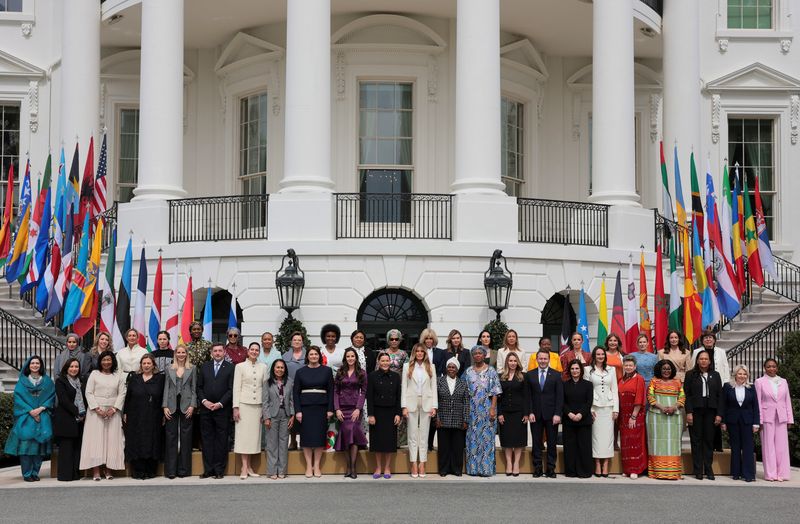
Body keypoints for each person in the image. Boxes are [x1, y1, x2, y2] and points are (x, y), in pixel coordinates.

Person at [4, 356, 55, 482]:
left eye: (37, 363)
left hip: (42, 415)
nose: (35, 365)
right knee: (26, 447)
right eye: (32, 363)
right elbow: (18, 398)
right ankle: (27, 474)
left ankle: (35, 472)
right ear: (28, 365)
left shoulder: (47, 381)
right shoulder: (22, 381)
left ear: (41, 365)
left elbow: (51, 397)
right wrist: (30, 411)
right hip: (26, 417)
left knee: (39, 447)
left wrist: (41, 408)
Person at [80, 350, 127, 480]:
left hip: (113, 412)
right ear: (100, 361)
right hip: (96, 412)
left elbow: (122, 393)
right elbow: (88, 392)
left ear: (113, 361)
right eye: (104, 360)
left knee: (112, 440)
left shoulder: (118, 375)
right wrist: (97, 409)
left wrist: (114, 408)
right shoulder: (94, 374)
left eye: (109, 360)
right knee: (96, 440)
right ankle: (96, 471)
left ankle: (109, 470)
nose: (106, 362)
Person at [293, 346, 334, 478]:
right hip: (305, 409)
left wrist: (330, 409)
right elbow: (295, 393)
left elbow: (331, 391)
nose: (313, 356)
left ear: (319, 356)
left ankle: (316, 466)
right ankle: (308, 466)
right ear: (307, 356)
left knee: (319, 437)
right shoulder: (300, 372)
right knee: (306, 438)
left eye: (316, 354)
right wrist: (298, 411)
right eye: (311, 354)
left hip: (321, 408)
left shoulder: (327, 371)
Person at [124, 353, 166, 480]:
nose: (146, 365)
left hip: (154, 415)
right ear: (141, 365)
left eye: (149, 363)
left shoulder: (160, 379)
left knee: (152, 441)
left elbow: (164, 397)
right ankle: (138, 470)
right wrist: (125, 412)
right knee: (136, 441)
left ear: (153, 365)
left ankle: (150, 470)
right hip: (135, 415)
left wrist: (164, 413)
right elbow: (128, 397)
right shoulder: (134, 378)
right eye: (144, 363)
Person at [684, 350, 723, 480]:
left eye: (706, 359)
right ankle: (698, 470)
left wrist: (719, 414)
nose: (703, 361)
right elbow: (687, 395)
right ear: (697, 360)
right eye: (701, 359)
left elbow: (720, 396)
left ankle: (708, 468)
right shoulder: (690, 375)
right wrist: (689, 412)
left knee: (708, 441)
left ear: (709, 361)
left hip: (711, 411)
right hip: (696, 411)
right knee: (696, 441)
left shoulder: (715, 375)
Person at [197, 343, 235, 479]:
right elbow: (199, 387)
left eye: (220, 351)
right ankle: (208, 470)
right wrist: (204, 401)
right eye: (215, 351)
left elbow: (231, 389)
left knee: (221, 441)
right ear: (211, 353)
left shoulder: (231, 368)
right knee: (207, 440)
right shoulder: (204, 367)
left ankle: (219, 470)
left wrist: (220, 403)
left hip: (222, 410)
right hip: (206, 409)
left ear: (224, 352)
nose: (217, 353)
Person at [464, 345, 502, 477]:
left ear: (484, 355)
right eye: (475, 353)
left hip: (487, 410)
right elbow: (464, 392)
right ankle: (473, 469)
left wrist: (492, 409)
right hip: (472, 411)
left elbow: (495, 392)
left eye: (480, 353)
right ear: (473, 356)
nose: (477, 355)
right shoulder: (468, 372)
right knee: (473, 440)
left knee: (486, 440)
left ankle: (486, 469)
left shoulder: (491, 371)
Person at [755, 358, 795, 482]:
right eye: (768, 366)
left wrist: (790, 419)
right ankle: (771, 474)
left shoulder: (783, 381)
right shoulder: (759, 382)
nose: (771, 368)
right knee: (768, 446)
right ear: (764, 368)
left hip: (781, 416)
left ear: (777, 368)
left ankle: (782, 473)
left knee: (782, 446)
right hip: (767, 417)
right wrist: (759, 420)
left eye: (773, 366)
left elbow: (787, 400)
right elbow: (758, 402)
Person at [233, 342, 268, 480]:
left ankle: (250, 467)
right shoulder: (240, 367)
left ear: (259, 352)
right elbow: (236, 387)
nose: (254, 352)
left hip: (258, 405)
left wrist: (264, 409)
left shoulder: (263, 367)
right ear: (248, 352)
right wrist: (236, 407)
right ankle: (244, 467)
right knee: (243, 437)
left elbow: (265, 389)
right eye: (252, 349)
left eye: (256, 350)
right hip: (244, 404)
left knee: (254, 438)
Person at [401, 343, 437, 478]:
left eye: (422, 351)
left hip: (427, 403)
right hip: (411, 403)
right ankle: (413, 463)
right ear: (414, 353)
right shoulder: (407, 367)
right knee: (412, 435)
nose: (420, 353)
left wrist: (435, 406)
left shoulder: (431, 367)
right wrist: (403, 406)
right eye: (417, 351)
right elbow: (404, 387)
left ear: (425, 353)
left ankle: (422, 463)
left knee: (424, 435)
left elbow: (433, 388)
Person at [527, 348, 563, 478]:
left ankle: (551, 468)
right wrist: (529, 411)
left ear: (549, 360)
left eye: (545, 359)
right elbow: (528, 396)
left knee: (552, 443)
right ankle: (537, 468)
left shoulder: (556, 375)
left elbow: (560, 396)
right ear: (537, 360)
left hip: (552, 415)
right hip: (535, 415)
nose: (543, 361)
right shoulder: (529, 375)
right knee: (536, 442)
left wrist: (558, 413)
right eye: (540, 358)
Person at [647, 359, 685, 480]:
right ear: (659, 369)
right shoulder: (654, 382)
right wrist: (662, 407)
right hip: (656, 416)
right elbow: (650, 397)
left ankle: (673, 472)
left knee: (673, 443)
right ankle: (656, 472)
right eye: (664, 369)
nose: (666, 371)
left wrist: (674, 407)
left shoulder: (677, 382)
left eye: (668, 369)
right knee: (657, 444)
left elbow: (682, 397)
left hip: (674, 417)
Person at [163, 344, 197, 479]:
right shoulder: (169, 368)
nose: (181, 355)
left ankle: (184, 470)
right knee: (171, 437)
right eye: (179, 352)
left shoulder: (192, 368)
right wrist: (164, 406)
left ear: (186, 354)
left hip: (186, 405)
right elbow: (166, 387)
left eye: (183, 352)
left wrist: (193, 405)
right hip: (171, 404)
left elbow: (194, 388)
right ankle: (171, 470)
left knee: (186, 437)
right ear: (175, 354)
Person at [721, 364, 759, 482]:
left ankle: (748, 474)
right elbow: (723, 405)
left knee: (748, 447)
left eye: (744, 374)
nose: (742, 376)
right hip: (732, 421)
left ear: (747, 376)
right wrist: (723, 421)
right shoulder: (727, 387)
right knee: (735, 447)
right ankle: (736, 473)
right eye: (740, 373)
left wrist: (756, 423)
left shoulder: (751, 388)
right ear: (735, 375)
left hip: (747, 421)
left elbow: (755, 407)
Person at [584, 346, 619, 477]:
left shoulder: (612, 370)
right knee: (596, 437)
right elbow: (587, 390)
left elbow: (614, 389)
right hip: (595, 407)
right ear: (594, 356)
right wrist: (590, 408)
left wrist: (616, 409)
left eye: (602, 354)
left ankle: (606, 464)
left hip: (608, 407)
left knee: (608, 437)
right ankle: (597, 463)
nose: (600, 356)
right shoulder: (588, 370)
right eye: (598, 354)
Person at [367, 352, 402, 479]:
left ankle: (387, 467)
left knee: (389, 442)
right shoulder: (372, 376)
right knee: (377, 442)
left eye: (387, 360)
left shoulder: (396, 376)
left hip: (391, 412)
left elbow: (399, 397)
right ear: (378, 362)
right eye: (383, 361)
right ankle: (378, 467)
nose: (385, 363)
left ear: (390, 362)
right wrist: (371, 414)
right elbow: (369, 397)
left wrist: (398, 414)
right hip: (377, 412)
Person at [334, 348, 368, 479]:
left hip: (355, 409)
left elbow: (363, 392)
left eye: (352, 356)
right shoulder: (340, 372)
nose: (350, 358)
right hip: (342, 409)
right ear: (345, 358)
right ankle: (348, 466)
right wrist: (337, 409)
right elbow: (336, 391)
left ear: (356, 358)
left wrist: (358, 408)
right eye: (348, 356)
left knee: (353, 433)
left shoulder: (362, 373)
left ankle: (353, 467)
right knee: (345, 436)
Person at [53, 358, 86, 481]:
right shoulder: (61, 381)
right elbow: (64, 400)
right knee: (66, 449)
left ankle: (75, 474)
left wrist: (83, 414)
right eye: (71, 366)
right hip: (66, 419)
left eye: (76, 367)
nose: (74, 369)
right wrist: (78, 412)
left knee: (77, 448)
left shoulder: (80, 381)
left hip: (79, 421)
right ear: (66, 368)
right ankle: (65, 475)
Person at [497, 352, 530, 476]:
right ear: (507, 362)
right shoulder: (501, 376)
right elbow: (498, 397)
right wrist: (499, 413)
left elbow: (527, 396)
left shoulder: (523, 376)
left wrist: (526, 413)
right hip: (505, 412)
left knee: (518, 439)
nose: (512, 363)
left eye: (515, 361)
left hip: (519, 412)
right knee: (507, 439)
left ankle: (516, 464)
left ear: (518, 363)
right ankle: (509, 464)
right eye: (510, 361)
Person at [435, 357, 469, 477]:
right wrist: (437, 418)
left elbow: (466, 402)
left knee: (457, 447)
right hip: (442, 419)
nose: (451, 369)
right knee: (444, 447)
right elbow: (436, 401)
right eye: (449, 367)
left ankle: (456, 469)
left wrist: (465, 419)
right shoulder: (438, 381)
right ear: (446, 368)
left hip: (458, 420)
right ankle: (443, 469)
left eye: (453, 367)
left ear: (457, 369)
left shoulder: (463, 383)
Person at [263, 359, 294, 479]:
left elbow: (291, 400)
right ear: (273, 369)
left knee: (283, 443)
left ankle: (282, 471)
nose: (280, 370)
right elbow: (265, 402)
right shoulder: (267, 383)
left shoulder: (289, 382)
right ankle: (272, 471)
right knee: (272, 444)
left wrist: (292, 415)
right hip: (272, 415)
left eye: (282, 367)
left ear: (285, 369)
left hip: (285, 415)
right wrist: (266, 417)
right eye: (277, 367)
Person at [562, 359, 593, 479]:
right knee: (570, 447)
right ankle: (571, 471)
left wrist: (580, 414)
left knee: (584, 446)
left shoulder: (588, 384)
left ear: (581, 370)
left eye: (577, 368)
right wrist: (569, 413)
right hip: (568, 420)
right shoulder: (564, 384)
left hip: (583, 420)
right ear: (569, 370)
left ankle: (584, 471)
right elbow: (562, 402)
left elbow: (589, 402)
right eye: (572, 369)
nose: (575, 371)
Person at [618, 355, 647, 479]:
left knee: (635, 442)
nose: (628, 367)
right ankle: (627, 469)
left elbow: (639, 398)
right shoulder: (621, 380)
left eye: (630, 365)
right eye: (626, 365)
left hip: (635, 414)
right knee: (625, 442)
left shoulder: (639, 378)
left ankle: (636, 469)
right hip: (623, 415)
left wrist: (633, 416)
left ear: (635, 367)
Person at [384, 328, 408, 446]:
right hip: (384, 387)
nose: (394, 341)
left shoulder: (404, 354)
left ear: (400, 340)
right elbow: (377, 370)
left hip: (399, 386)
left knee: (399, 414)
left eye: (396, 339)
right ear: (388, 340)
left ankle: (398, 442)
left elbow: (408, 371)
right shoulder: (383, 353)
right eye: (391, 339)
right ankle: (387, 440)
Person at [283, 332, 306, 450]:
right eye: (295, 340)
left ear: (302, 342)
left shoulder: (308, 355)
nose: (297, 342)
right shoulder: (285, 356)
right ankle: (293, 442)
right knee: (291, 414)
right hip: (290, 389)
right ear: (291, 342)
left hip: (305, 390)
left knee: (304, 416)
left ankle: (303, 441)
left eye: (299, 340)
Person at [347, 329, 373, 438]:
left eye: (361, 337)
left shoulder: (369, 352)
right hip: (350, 388)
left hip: (365, 387)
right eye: (356, 337)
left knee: (364, 414)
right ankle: (352, 440)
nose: (359, 339)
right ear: (352, 338)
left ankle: (362, 439)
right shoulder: (347, 351)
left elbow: (372, 369)